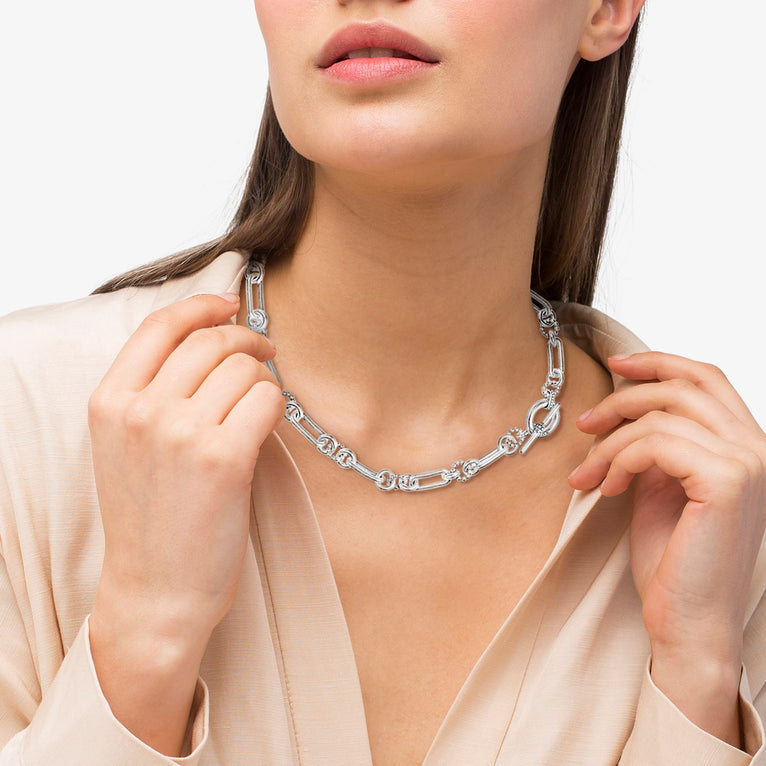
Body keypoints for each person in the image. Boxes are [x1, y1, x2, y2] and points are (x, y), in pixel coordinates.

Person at [1, 1, 765, 764]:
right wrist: (144, 633)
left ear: (605, 10)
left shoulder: (715, 521)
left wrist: (699, 684)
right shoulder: (27, 425)